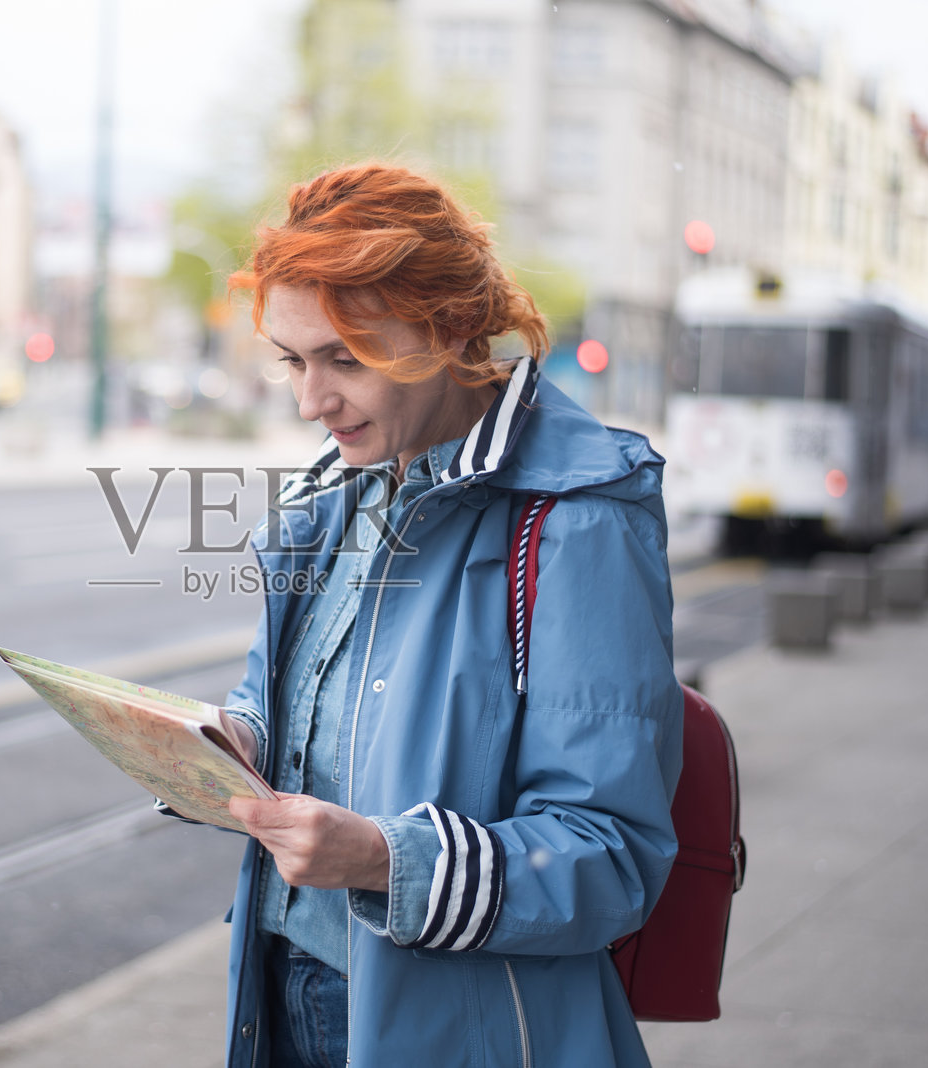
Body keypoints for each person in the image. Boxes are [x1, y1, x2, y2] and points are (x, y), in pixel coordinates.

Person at [212, 163, 684, 1067]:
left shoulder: (577, 516)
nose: (312, 403)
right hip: (280, 985)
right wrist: (230, 737)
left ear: (453, 327)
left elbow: (609, 857)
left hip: (457, 1024)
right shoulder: (339, 487)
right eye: (293, 360)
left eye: (346, 358)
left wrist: (385, 859)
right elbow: (302, 700)